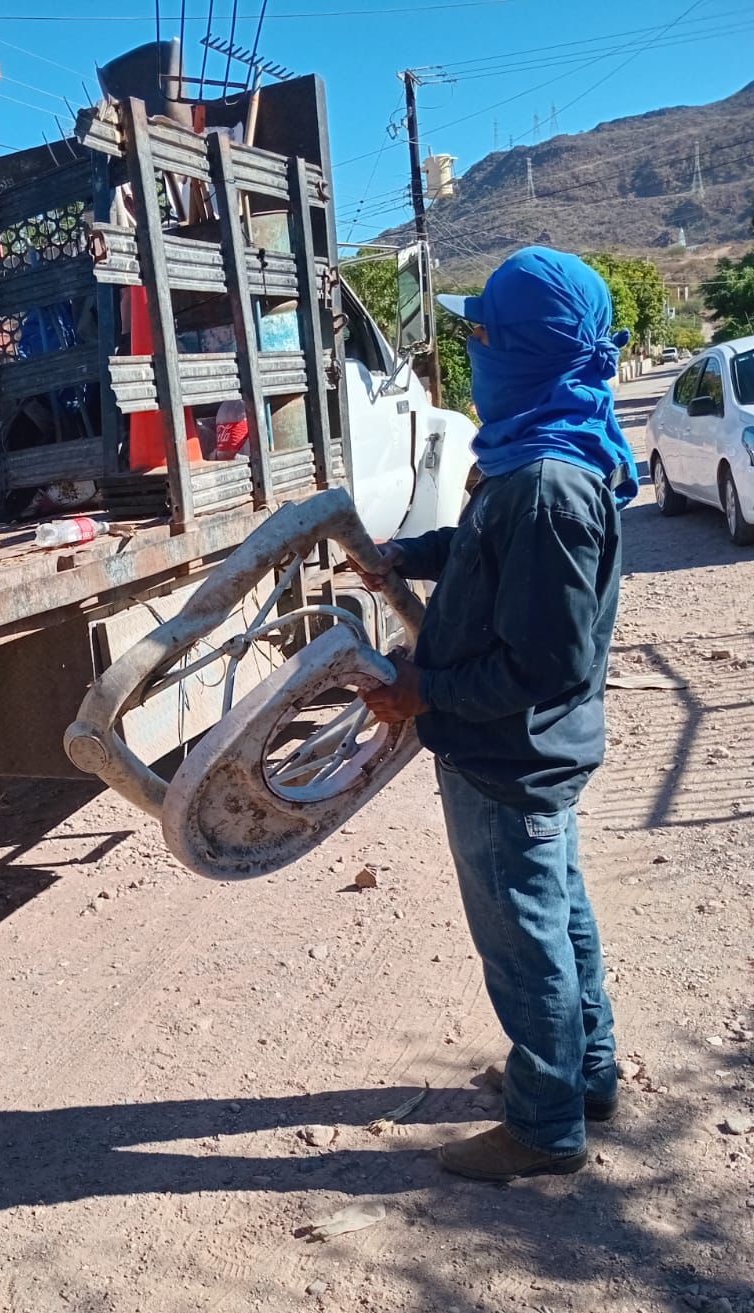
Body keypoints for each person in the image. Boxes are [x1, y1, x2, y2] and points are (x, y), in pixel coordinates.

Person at [359, 246, 637, 1183]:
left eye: (480, 336)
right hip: (528, 758)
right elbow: (487, 554)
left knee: (524, 941)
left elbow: (547, 663)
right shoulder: (540, 451)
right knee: (558, 912)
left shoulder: (548, 486)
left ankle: (545, 1125)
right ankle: (587, 1075)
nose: (469, 350)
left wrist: (421, 692)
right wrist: (409, 552)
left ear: (524, 352)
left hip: (506, 756)